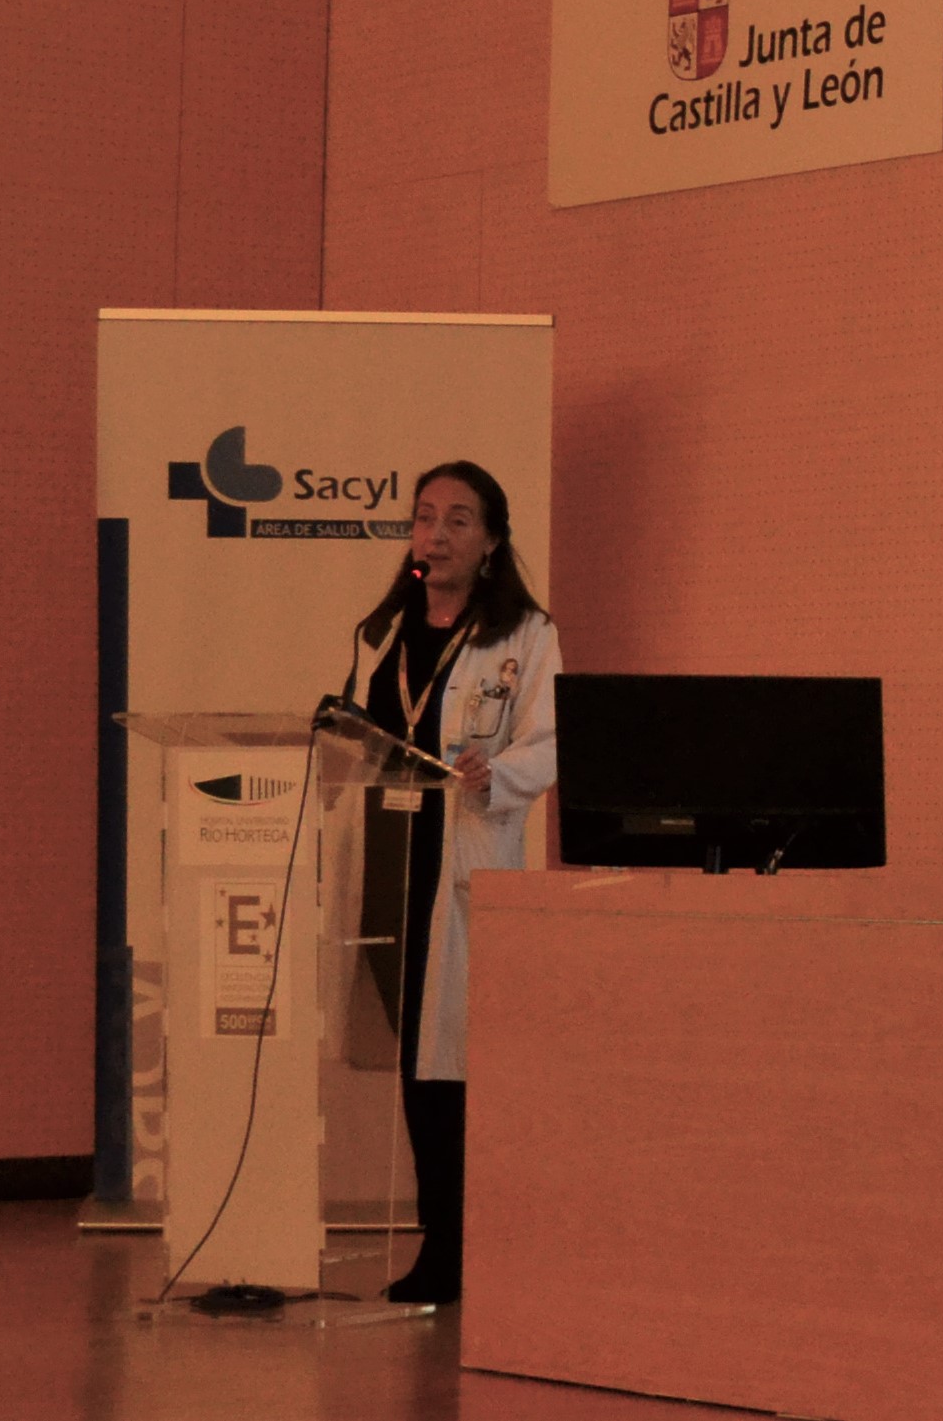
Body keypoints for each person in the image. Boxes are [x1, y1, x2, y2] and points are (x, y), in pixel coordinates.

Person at [350, 458, 561, 1305]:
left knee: (459, 1065)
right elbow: (368, 734)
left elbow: (551, 739)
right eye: (424, 517)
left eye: (457, 520)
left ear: (491, 541)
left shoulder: (524, 633)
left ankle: (466, 1244)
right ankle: (441, 1239)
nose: (435, 535)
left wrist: (496, 772)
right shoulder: (387, 630)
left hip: (468, 854)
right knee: (416, 1059)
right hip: (393, 857)